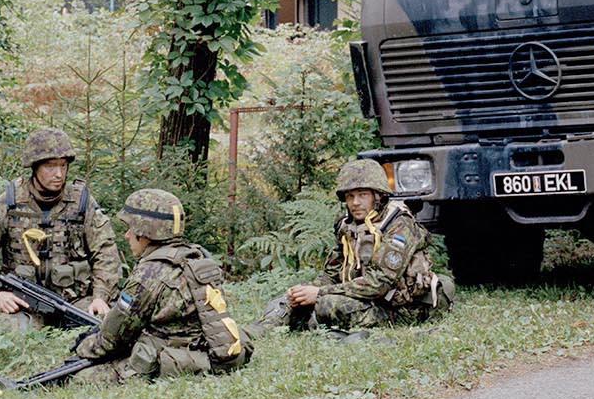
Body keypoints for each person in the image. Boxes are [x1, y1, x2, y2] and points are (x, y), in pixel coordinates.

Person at [256, 158, 455, 334]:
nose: (355, 203)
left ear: (378, 196)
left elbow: (380, 283)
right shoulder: (346, 226)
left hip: (401, 308)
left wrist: (320, 294)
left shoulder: (399, 225)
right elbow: (331, 273)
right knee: (290, 297)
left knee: (326, 304)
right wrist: (308, 290)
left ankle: (311, 321)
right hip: (363, 298)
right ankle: (263, 330)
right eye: (350, 196)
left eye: (362, 195)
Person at [72, 188, 252, 381]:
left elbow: (112, 339)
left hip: (171, 358)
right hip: (210, 352)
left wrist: (83, 346)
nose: (126, 235)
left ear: (144, 230)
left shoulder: (150, 273)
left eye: (130, 228)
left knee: (80, 377)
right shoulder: (196, 257)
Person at [0, 127, 121, 327]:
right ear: (34, 167)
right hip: (24, 302)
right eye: (50, 166)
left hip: (75, 301)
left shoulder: (81, 201)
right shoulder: (9, 202)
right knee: (10, 333)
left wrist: (101, 296)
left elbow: (106, 253)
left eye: (63, 166)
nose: (59, 174)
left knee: (104, 327)